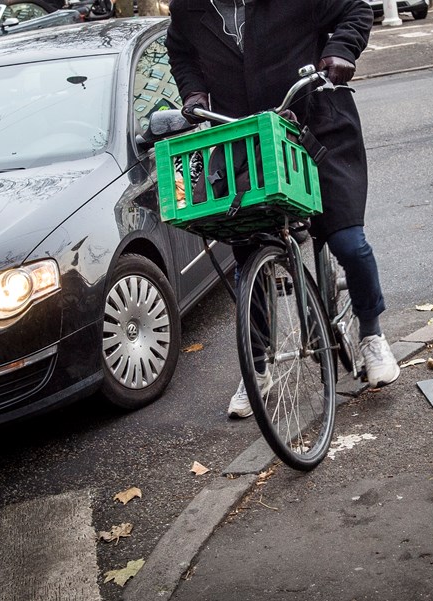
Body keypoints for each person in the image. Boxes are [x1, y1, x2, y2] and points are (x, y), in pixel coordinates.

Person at [166, 0, 400, 418]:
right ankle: (257, 365)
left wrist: (341, 51)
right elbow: (181, 51)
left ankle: (371, 334)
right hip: (244, 139)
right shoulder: (189, 8)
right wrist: (193, 90)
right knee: (249, 250)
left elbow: (357, 10)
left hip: (315, 124)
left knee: (348, 242)